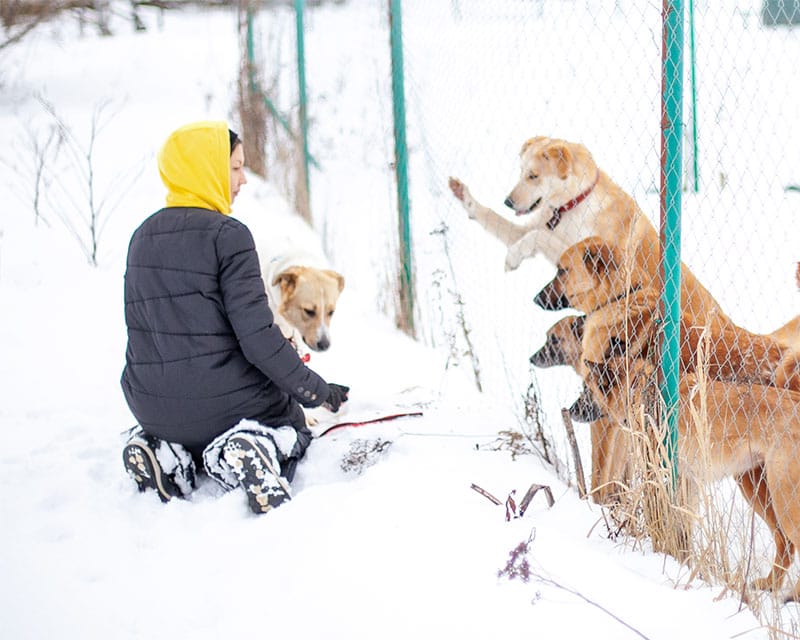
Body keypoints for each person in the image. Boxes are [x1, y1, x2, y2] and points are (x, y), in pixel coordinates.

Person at [120, 120, 349, 514]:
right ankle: (250, 447)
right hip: (226, 409)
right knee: (292, 426)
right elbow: (259, 339)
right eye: (236, 167)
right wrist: (316, 391)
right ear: (207, 169)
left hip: (149, 405)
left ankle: (164, 454)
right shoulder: (229, 236)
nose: (243, 180)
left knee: (184, 425)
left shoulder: (141, 236)